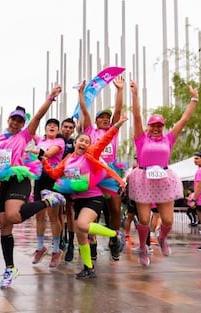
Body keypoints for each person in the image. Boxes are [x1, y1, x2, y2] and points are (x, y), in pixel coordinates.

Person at [0, 85, 66, 289]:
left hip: (20, 178)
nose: (16, 123)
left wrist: (50, 98)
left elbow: (38, 117)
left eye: (19, 121)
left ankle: (48, 199)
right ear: (8, 120)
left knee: (14, 216)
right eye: (13, 119)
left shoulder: (24, 136)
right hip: (3, 183)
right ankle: (10, 268)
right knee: (5, 225)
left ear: (23, 124)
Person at [42, 82, 127, 279]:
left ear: (90, 146)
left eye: (86, 142)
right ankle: (88, 267)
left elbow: (106, 139)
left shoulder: (92, 152)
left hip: (95, 191)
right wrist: (44, 161)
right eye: (81, 140)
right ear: (76, 141)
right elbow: (55, 175)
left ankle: (116, 236)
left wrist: (118, 124)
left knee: (84, 224)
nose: (83, 142)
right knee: (82, 233)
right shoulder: (69, 158)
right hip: (79, 197)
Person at [128, 80, 199, 266]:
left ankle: (162, 238)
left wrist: (194, 99)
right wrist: (135, 94)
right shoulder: (141, 139)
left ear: (163, 127)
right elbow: (136, 116)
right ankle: (143, 248)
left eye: (160, 125)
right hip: (143, 180)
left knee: (167, 221)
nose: (156, 128)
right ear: (148, 127)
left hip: (163, 180)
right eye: (153, 125)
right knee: (144, 219)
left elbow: (184, 120)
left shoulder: (169, 139)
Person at [79, 76, 126, 262]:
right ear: (96, 121)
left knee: (115, 209)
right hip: (92, 173)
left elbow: (119, 110)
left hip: (109, 173)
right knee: (93, 211)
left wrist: (120, 90)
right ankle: (92, 243)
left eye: (108, 118)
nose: (106, 120)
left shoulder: (112, 132)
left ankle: (114, 239)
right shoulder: (90, 131)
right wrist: (81, 94)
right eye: (102, 118)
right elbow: (84, 110)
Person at [30, 118, 65, 267]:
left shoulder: (59, 142)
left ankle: (56, 250)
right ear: (45, 129)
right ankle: (40, 247)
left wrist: (31, 150)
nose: (52, 127)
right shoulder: (40, 141)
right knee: (39, 215)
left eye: (55, 126)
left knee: (52, 215)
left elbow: (48, 154)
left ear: (58, 131)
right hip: (39, 178)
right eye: (49, 125)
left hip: (52, 178)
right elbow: (31, 131)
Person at [59, 117, 76, 261]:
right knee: (58, 211)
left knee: (70, 211)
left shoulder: (74, 143)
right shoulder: (54, 139)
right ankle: (59, 238)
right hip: (56, 179)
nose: (68, 130)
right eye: (65, 127)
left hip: (70, 179)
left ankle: (71, 243)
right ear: (61, 127)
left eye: (71, 127)